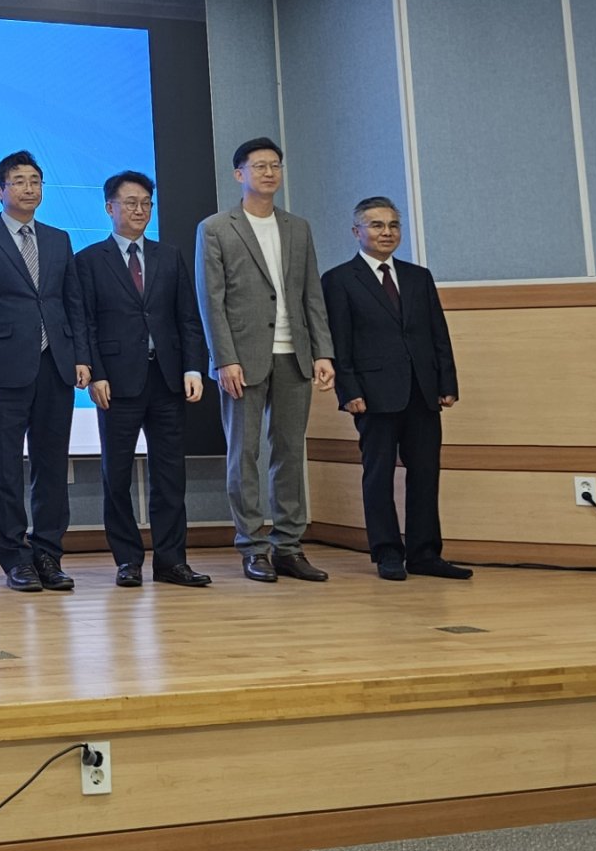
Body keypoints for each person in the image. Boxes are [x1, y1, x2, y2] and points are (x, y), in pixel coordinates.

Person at [195, 137, 335, 583]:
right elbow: (211, 300)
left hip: (295, 354)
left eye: (275, 165)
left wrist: (323, 351)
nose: (270, 172)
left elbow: (312, 294)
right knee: (244, 454)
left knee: (290, 453)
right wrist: (224, 358)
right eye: (259, 166)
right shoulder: (216, 228)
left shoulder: (298, 227)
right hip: (242, 358)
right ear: (239, 174)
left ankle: (289, 546)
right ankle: (252, 547)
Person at [0, 150, 90, 594]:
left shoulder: (58, 239)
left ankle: (48, 553)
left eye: (35, 181)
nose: (29, 188)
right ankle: (15, 556)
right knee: (4, 468)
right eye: (19, 181)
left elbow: (72, 302)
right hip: (1, 369)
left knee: (52, 465)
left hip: (56, 365)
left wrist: (81, 356)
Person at [74, 171, 210, 589]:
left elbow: (188, 317)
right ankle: (127, 560)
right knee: (116, 475)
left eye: (146, 203)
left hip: (167, 379)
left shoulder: (169, 256)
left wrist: (193, 367)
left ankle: (172, 561)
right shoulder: (89, 260)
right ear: (109, 207)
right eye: (130, 203)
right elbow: (86, 323)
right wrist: (96, 373)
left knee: (170, 475)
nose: (139, 210)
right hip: (116, 382)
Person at [321, 197, 468, 581]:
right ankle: (386, 551)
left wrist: (447, 382)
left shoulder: (419, 277)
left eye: (393, 225)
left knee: (425, 473)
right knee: (378, 474)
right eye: (376, 225)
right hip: (372, 394)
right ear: (356, 231)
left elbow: (438, 334)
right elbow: (339, 341)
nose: (386, 232)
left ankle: (425, 554)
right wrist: (348, 391)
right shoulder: (339, 279)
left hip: (423, 391)